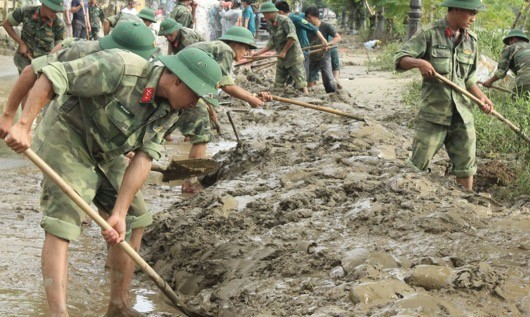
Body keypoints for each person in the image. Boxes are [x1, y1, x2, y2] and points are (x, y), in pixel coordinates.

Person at [3, 46, 222, 316]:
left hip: (108, 150)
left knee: (135, 218)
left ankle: (118, 306)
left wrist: (118, 212)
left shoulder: (172, 108)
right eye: (196, 94)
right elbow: (50, 75)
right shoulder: (121, 68)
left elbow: (143, 158)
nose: (196, 102)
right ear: (177, 79)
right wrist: (23, 124)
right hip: (68, 136)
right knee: (63, 222)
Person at [393, 0, 494, 191]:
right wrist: (419, 63)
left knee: (466, 167)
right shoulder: (429, 33)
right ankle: (407, 201)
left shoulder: (471, 40)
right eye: (470, 12)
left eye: (475, 14)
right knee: (417, 165)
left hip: (462, 115)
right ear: (455, 8)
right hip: (434, 113)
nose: (473, 18)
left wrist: (482, 97)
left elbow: (469, 79)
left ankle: (466, 204)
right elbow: (400, 58)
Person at [183, 26, 272, 192]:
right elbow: (226, 86)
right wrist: (251, 99)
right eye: (245, 47)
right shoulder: (225, 50)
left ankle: (187, 180)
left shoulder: (216, 48)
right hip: (186, 92)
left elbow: (211, 84)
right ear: (234, 43)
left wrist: (212, 110)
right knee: (202, 138)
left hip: (184, 88)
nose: (247, 52)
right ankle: (190, 183)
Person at [251, 2, 308, 94]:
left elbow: (292, 37)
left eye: (265, 14)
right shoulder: (269, 24)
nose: (264, 16)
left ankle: (307, 96)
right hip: (281, 57)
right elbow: (271, 42)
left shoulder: (285, 20)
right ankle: (278, 99)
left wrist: (284, 51)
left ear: (271, 12)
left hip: (293, 56)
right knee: (278, 82)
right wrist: (259, 53)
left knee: (301, 81)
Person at [2, 0, 66, 74]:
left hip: (43, 68)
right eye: (53, 10)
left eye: (57, 11)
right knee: (24, 85)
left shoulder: (58, 25)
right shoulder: (26, 11)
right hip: (24, 62)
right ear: (44, 4)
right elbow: (6, 24)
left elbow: (60, 49)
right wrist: (21, 44)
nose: (54, 14)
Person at [275, 0, 326, 80]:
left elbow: (313, 28)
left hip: (302, 50)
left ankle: (304, 90)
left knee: (302, 75)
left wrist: (323, 40)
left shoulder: (294, 19)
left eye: (275, 13)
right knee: (291, 75)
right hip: (290, 50)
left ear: (280, 12)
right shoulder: (282, 21)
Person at [482, 28, 530, 97]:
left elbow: (501, 72)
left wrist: (488, 82)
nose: (509, 44)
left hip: (526, 79)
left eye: (509, 42)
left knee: (518, 104)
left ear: (514, 39)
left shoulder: (511, 47)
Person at [305, 6, 341, 93]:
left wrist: (328, 44)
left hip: (324, 55)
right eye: (306, 18)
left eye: (309, 17)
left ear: (316, 16)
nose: (307, 20)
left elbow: (338, 37)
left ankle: (334, 93)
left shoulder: (326, 26)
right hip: (312, 56)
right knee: (309, 81)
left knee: (328, 81)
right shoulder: (307, 27)